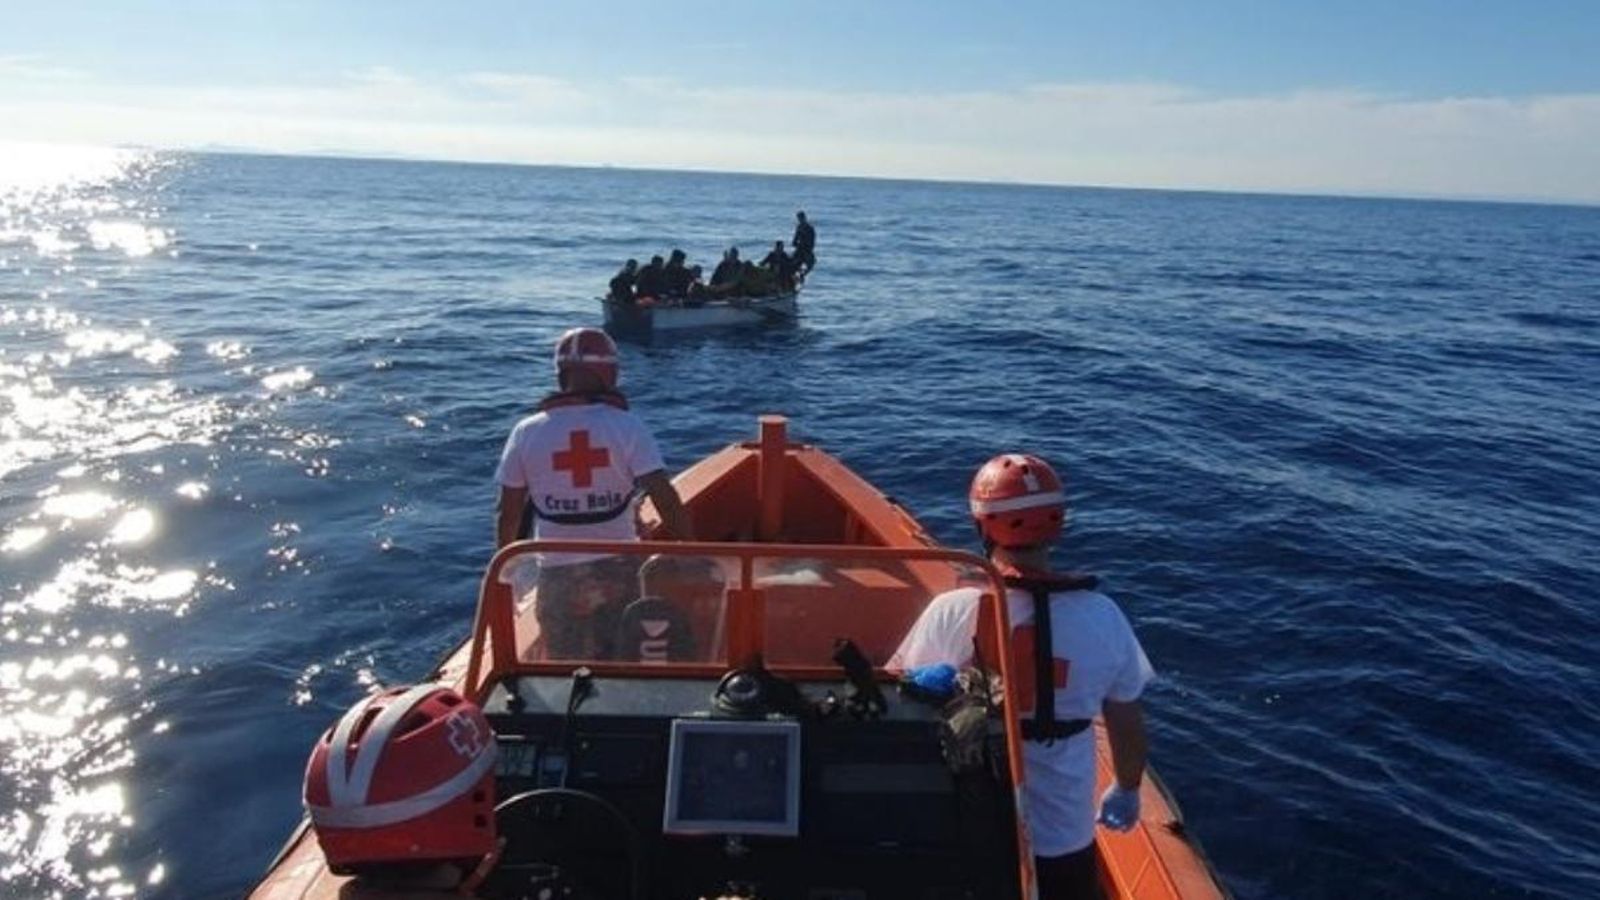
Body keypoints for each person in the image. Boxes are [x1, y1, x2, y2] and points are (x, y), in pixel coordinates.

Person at [892, 454, 1152, 900]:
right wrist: (1126, 787)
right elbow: (1126, 719)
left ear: (983, 525)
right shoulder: (1103, 617)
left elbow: (900, 695)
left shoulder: (956, 610)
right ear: (1057, 525)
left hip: (971, 820)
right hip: (1064, 837)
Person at [495, 327, 693, 659]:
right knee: (623, 660)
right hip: (620, 570)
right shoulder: (627, 427)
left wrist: (505, 575)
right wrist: (690, 555)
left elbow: (508, 511)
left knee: (564, 666)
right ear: (610, 373)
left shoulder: (526, 432)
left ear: (561, 374)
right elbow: (665, 497)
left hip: (557, 573)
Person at [791, 211, 816, 276]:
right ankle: (797, 274)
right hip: (801, 248)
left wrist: (809, 248)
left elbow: (812, 240)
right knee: (793, 263)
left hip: (807, 249)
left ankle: (802, 274)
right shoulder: (799, 227)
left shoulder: (809, 228)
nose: (800, 220)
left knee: (811, 264)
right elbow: (795, 239)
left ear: (804, 218)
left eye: (801, 218)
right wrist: (796, 244)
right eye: (799, 219)